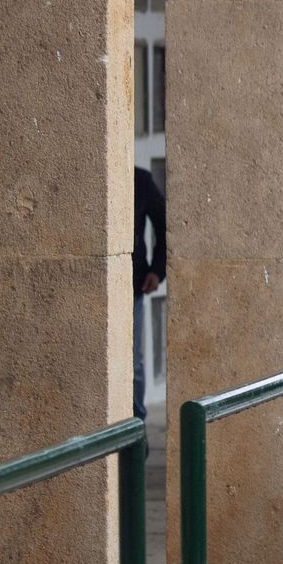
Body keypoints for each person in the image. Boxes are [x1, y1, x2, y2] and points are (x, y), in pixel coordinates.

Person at [132, 166, 166, 421]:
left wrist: (157, 269)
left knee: (133, 364)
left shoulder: (140, 180)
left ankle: (136, 434)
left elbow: (166, 224)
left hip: (133, 286)